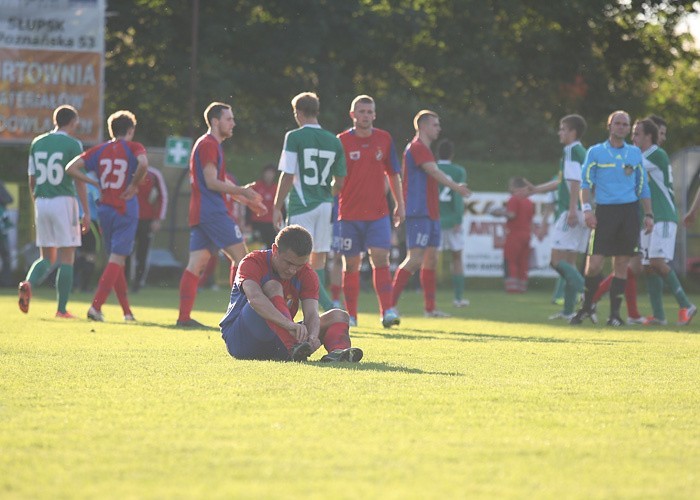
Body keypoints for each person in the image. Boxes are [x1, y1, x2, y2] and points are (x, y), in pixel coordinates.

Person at [175, 102, 265, 328]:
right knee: (244, 260)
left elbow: (219, 181)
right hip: (213, 212)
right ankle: (238, 316)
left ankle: (184, 318)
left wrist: (244, 198)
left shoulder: (209, 144)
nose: (233, 123)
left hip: (201, 212)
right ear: (215, 121)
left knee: (196, 264)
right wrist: (241, 191)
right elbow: (211, 182)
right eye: (229, 119)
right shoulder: (209, 144)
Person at [220, 224, 363, 363]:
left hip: (278, 341)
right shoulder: (252, 262)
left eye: (299, 265)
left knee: (339, 316)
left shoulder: (307, 274)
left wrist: (312, 336)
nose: (292, 270)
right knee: (273, 286)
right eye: (288, 263)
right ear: (275, 250)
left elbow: (312, 314)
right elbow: (255, 299)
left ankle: (337, 353)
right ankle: (292, 346)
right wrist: (289, 325)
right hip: (240, 340)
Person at [570, 110, 653, 327]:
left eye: (625, 124)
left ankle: (614, 315)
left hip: (629, 212)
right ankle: (586, 307)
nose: (622, 127)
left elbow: (643, 186)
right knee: (594, 264)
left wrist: (649, 214)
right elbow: (586, 183)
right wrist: (587, 210)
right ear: (610, 126)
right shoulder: (595, 152)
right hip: (604, 212)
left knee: (622, 263)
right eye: (618, 123)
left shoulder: (635, 154)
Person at [66, 110, 148, 322]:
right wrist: (133, 184)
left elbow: (71, 168)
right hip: (125, 207)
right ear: (130, 130)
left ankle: (127, 312)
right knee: (118, 258)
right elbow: (144, 164)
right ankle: (96, 307)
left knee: (115, 260)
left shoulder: (99, 150)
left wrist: (93, 182)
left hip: (105, 209)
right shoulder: (133, 146)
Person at [391, 110, 469, 317]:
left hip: (432, 213)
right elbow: (433, 171)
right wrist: (456, 187)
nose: (439, 128)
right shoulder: (417, 147)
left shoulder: (425, 149)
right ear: (423, 126)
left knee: (431, 260)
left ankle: (430, 309)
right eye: (435, 125)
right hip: (419, 212)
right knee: (415, 259)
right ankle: (389, 306)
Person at [273, 92, 346, 313]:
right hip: (325, 204)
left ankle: (326, 307)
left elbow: (287, 174)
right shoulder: (334, 140)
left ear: (298, 112)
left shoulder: (294, 137)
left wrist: (276, 206)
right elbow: (340, 181)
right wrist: (325, 194)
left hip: (301, 205)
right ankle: (327, 308)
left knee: (293, 258)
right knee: (320, 258)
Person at [337, 95, 405, 327]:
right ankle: (352, 316)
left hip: (378, 214)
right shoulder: (342, 141)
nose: (365, 115)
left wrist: (400, 204)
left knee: (380, 258)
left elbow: (394, 174)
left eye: (369, 112)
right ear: (352, 114)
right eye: (361, 111)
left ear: (374, 115)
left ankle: (387, 311)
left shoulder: (384, 139)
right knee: (352, 264)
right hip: (348, 215)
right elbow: (336, 178)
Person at [19, 105, 89, 318]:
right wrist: (86, 211)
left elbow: (32, 179)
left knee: (46, 256)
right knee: (67, 255)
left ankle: (28, 283)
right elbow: (78, 180)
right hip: (63, 201)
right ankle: (61, 309)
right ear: (72, 121)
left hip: (42, 201)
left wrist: (37, 202)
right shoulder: (73, 144)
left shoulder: (37, 143)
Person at [632, 118, 696, 325]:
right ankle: (659, 315)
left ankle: (687, 305)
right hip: (650, 219)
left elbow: (627, 168)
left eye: (636, 134)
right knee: (648, 266)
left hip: (664, 217)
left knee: (658, 262)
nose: (633, 138)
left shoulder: (654, 153)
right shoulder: (646, 155)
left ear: (648, 136)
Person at [525, 114, 589, 319]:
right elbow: (562, 181)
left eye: (563, 129)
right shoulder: (580, 151)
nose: (559, 133)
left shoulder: (570, 150)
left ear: (573, 132)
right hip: (583, 210)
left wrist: (571, 209)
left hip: (571, 211)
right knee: (569, 263)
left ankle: (587, 294)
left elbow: (575, 182)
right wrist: (536, 189)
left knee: (555, 261)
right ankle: (569, 311)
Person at [436, 139, 469, 307]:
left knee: (431, 259)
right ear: (452, 154)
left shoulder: (432, 168)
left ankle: (430, 299)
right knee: (457, 257)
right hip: (452, 219)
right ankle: (458, 298)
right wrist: (458, 218)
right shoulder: (458, 171)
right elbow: (458, 195)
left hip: (434, 219)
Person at [129, 164, 168, 292]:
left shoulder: (154, 174)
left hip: (146, 219)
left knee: (143, 253)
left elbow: (163, 196)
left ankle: (138, 283)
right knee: (124, 251)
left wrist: (158, 219)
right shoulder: (127, 171)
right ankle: (123, 281)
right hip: (128, 218)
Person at [492, 177, 535, 293]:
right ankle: (522, 287)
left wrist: (499, 212)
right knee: (523, 261)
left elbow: (511, 215)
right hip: (526, 234)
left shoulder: (513, 199)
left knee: (511, 260)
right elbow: (531, 220)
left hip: (515, 233)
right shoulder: (529, 201)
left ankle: (512, 287)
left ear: (514, 187)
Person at [73, 171, 101, 292]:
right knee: (91, 255)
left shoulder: (76, 179)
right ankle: (84, 286)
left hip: (76, 221)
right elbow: (99, 201)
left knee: (81, 254)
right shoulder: (93, 182)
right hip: (91, 221)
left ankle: (72, 284)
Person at [246, 164, 278, 249]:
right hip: (257, 222)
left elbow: (281, 206)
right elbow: (248, 204)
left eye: (271, 173)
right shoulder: (256, 187)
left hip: (271, 223)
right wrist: (247, 222)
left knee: (271, 246)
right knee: (256, 246)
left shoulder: (277, 188)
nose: (269, 176)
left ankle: (269, 262)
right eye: (267, 173)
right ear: (264, 174)